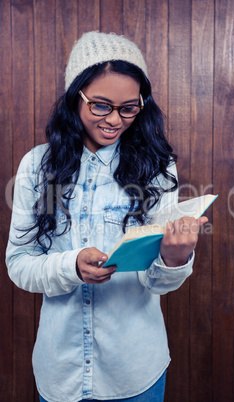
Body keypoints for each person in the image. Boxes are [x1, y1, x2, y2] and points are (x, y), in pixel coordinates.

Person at [6, 31, 208, 402]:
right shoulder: (36, 166)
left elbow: (157, 283)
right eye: (100, 105)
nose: (115, 119)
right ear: (74, 99)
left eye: (129, 108)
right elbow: (19, 265)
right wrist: (72, 267)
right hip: (59, 372)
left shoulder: (158, 169)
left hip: (134, 372)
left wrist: (175, 258)